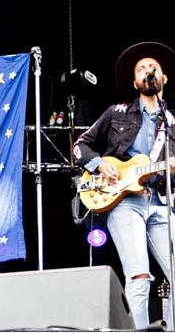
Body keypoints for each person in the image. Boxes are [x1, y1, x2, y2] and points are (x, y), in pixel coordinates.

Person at [73, 41, 175, 330]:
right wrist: (99, 164)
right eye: (142, 69)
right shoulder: (117, 112)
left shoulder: (172, 123)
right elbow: (81, 145)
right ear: (135, 82)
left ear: (163, 78)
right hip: (125, 203)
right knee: (139, 276)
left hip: (160, 202)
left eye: (153, 67)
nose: (148, 71)